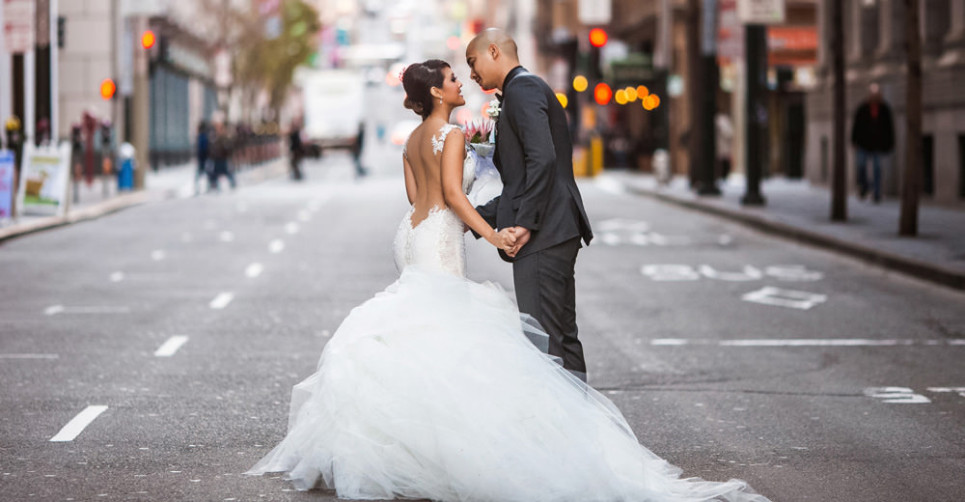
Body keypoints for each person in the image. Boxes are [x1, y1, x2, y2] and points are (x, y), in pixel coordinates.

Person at [246, 58, 771, 502]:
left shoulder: (412, 138)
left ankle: (413, 442)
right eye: (453, 79)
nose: (461, 84)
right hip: (442, 235)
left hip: (411, 235)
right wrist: (493, 236)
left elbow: (416, 199)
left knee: (418, 329)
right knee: (448, 332)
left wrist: (466, 179)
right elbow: (454, 198)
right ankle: (448, 447)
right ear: (436, 92)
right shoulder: (450, 133)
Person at [466, 28, 593, 382]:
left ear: (494, 51)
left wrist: (525, 224)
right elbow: (520, 182)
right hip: (554, 226)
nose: (472, 74)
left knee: (545, 342)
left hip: (545, 231)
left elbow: (543, 159)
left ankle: (563, 428)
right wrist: (472, 218)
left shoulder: (522, 89)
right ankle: (579, 423)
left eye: (472, 63)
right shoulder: (523, 90)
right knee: (559, 336)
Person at [850, 82, 894, 203]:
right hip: (863, 143)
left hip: (878, 145)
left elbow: (889, 128)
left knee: (877, 169)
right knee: (861, 166)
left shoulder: (884, 109)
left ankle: (876, 193)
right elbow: (856, 126)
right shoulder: (862, 108)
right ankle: (864, 187)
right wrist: (854, 141)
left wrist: (889, 143)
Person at [208, 120, 236, 191]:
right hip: (217, 160)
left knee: (227, 173)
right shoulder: (215, 138)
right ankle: (215, 186)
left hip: (222, 160)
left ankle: (232, 185)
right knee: (216, 174)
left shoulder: (223, 138)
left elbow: (228, 149)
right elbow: (212, 150)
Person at [195, 121, 210, 194]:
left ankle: (198, 189)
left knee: (200, 175)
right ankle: (207, 187)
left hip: (202, 159)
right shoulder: (204, 136)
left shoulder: (202, 137)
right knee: (207, 174)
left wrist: (201, 157)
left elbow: (202, 149)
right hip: (204, 158)